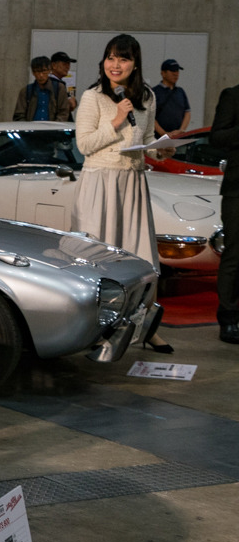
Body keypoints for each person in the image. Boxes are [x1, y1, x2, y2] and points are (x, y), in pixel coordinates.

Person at [72, 33, 172, 353]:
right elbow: (84, 145)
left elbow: (144, 142)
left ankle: (145, 330)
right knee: (95, 261)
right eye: (111, 58)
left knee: (141, 261)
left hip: (133, 183)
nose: (116, 65)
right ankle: (89, 330)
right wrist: (115, 120)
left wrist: (161, 151)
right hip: (99, 183)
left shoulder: (147, 96)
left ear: (135, 63)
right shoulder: (93, 96)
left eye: (123, 59)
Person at [208, 83, 239, 344]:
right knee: (235, 254)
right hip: (238, 190)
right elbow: (217, 136)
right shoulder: (232, 95)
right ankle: (229, 318)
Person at [13, 56, 71, 121]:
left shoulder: (59, 88)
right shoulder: (26, 91)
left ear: (49, 70)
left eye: (44, 71)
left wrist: (55, 128)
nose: (41, 75)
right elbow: (19, 115)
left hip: (53, 128)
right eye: (37, 72)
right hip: (32, 128)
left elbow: (64, 112)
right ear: (33, 72)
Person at [153, 58, 192, 138]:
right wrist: (164, 134)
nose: (176, 74)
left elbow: (187, 112)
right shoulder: (154, 92)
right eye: (172, 71)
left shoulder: (180, 91)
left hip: (178, 138)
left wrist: (181, 130)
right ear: (163, 73)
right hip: (158, 138)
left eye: (177, 71)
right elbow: (150, 116)